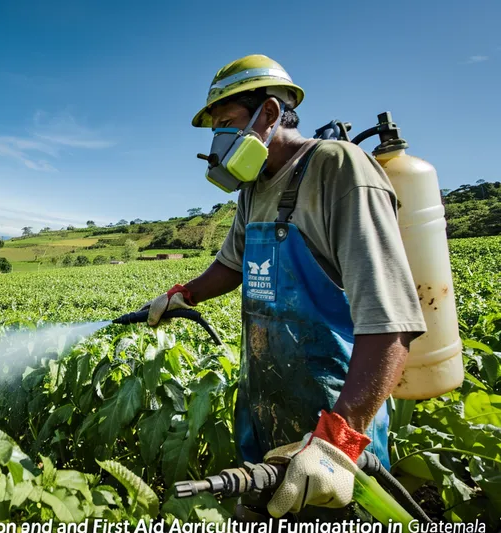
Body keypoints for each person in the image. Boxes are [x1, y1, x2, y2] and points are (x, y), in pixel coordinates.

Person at [141, 54, 427, 520]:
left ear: (269, 114)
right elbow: (231, 265)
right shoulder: (254, 189)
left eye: (228, 123)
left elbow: (390, 317)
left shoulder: (338, 168)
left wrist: (340, 440)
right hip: (267, 408)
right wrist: (184, 294)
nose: (220, 141)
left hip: (334, 418)